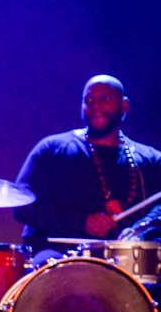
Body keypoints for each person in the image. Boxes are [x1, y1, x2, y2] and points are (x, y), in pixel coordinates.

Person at [14, 75, 161, 254]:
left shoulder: (150, 159)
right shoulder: (52, 149)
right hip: (56, 256)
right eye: (89, 100)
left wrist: (140, 231)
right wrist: (82, 223)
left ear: (124, 106)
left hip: (125, 261)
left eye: (104, 99)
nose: (95, 106)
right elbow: (22, 206)